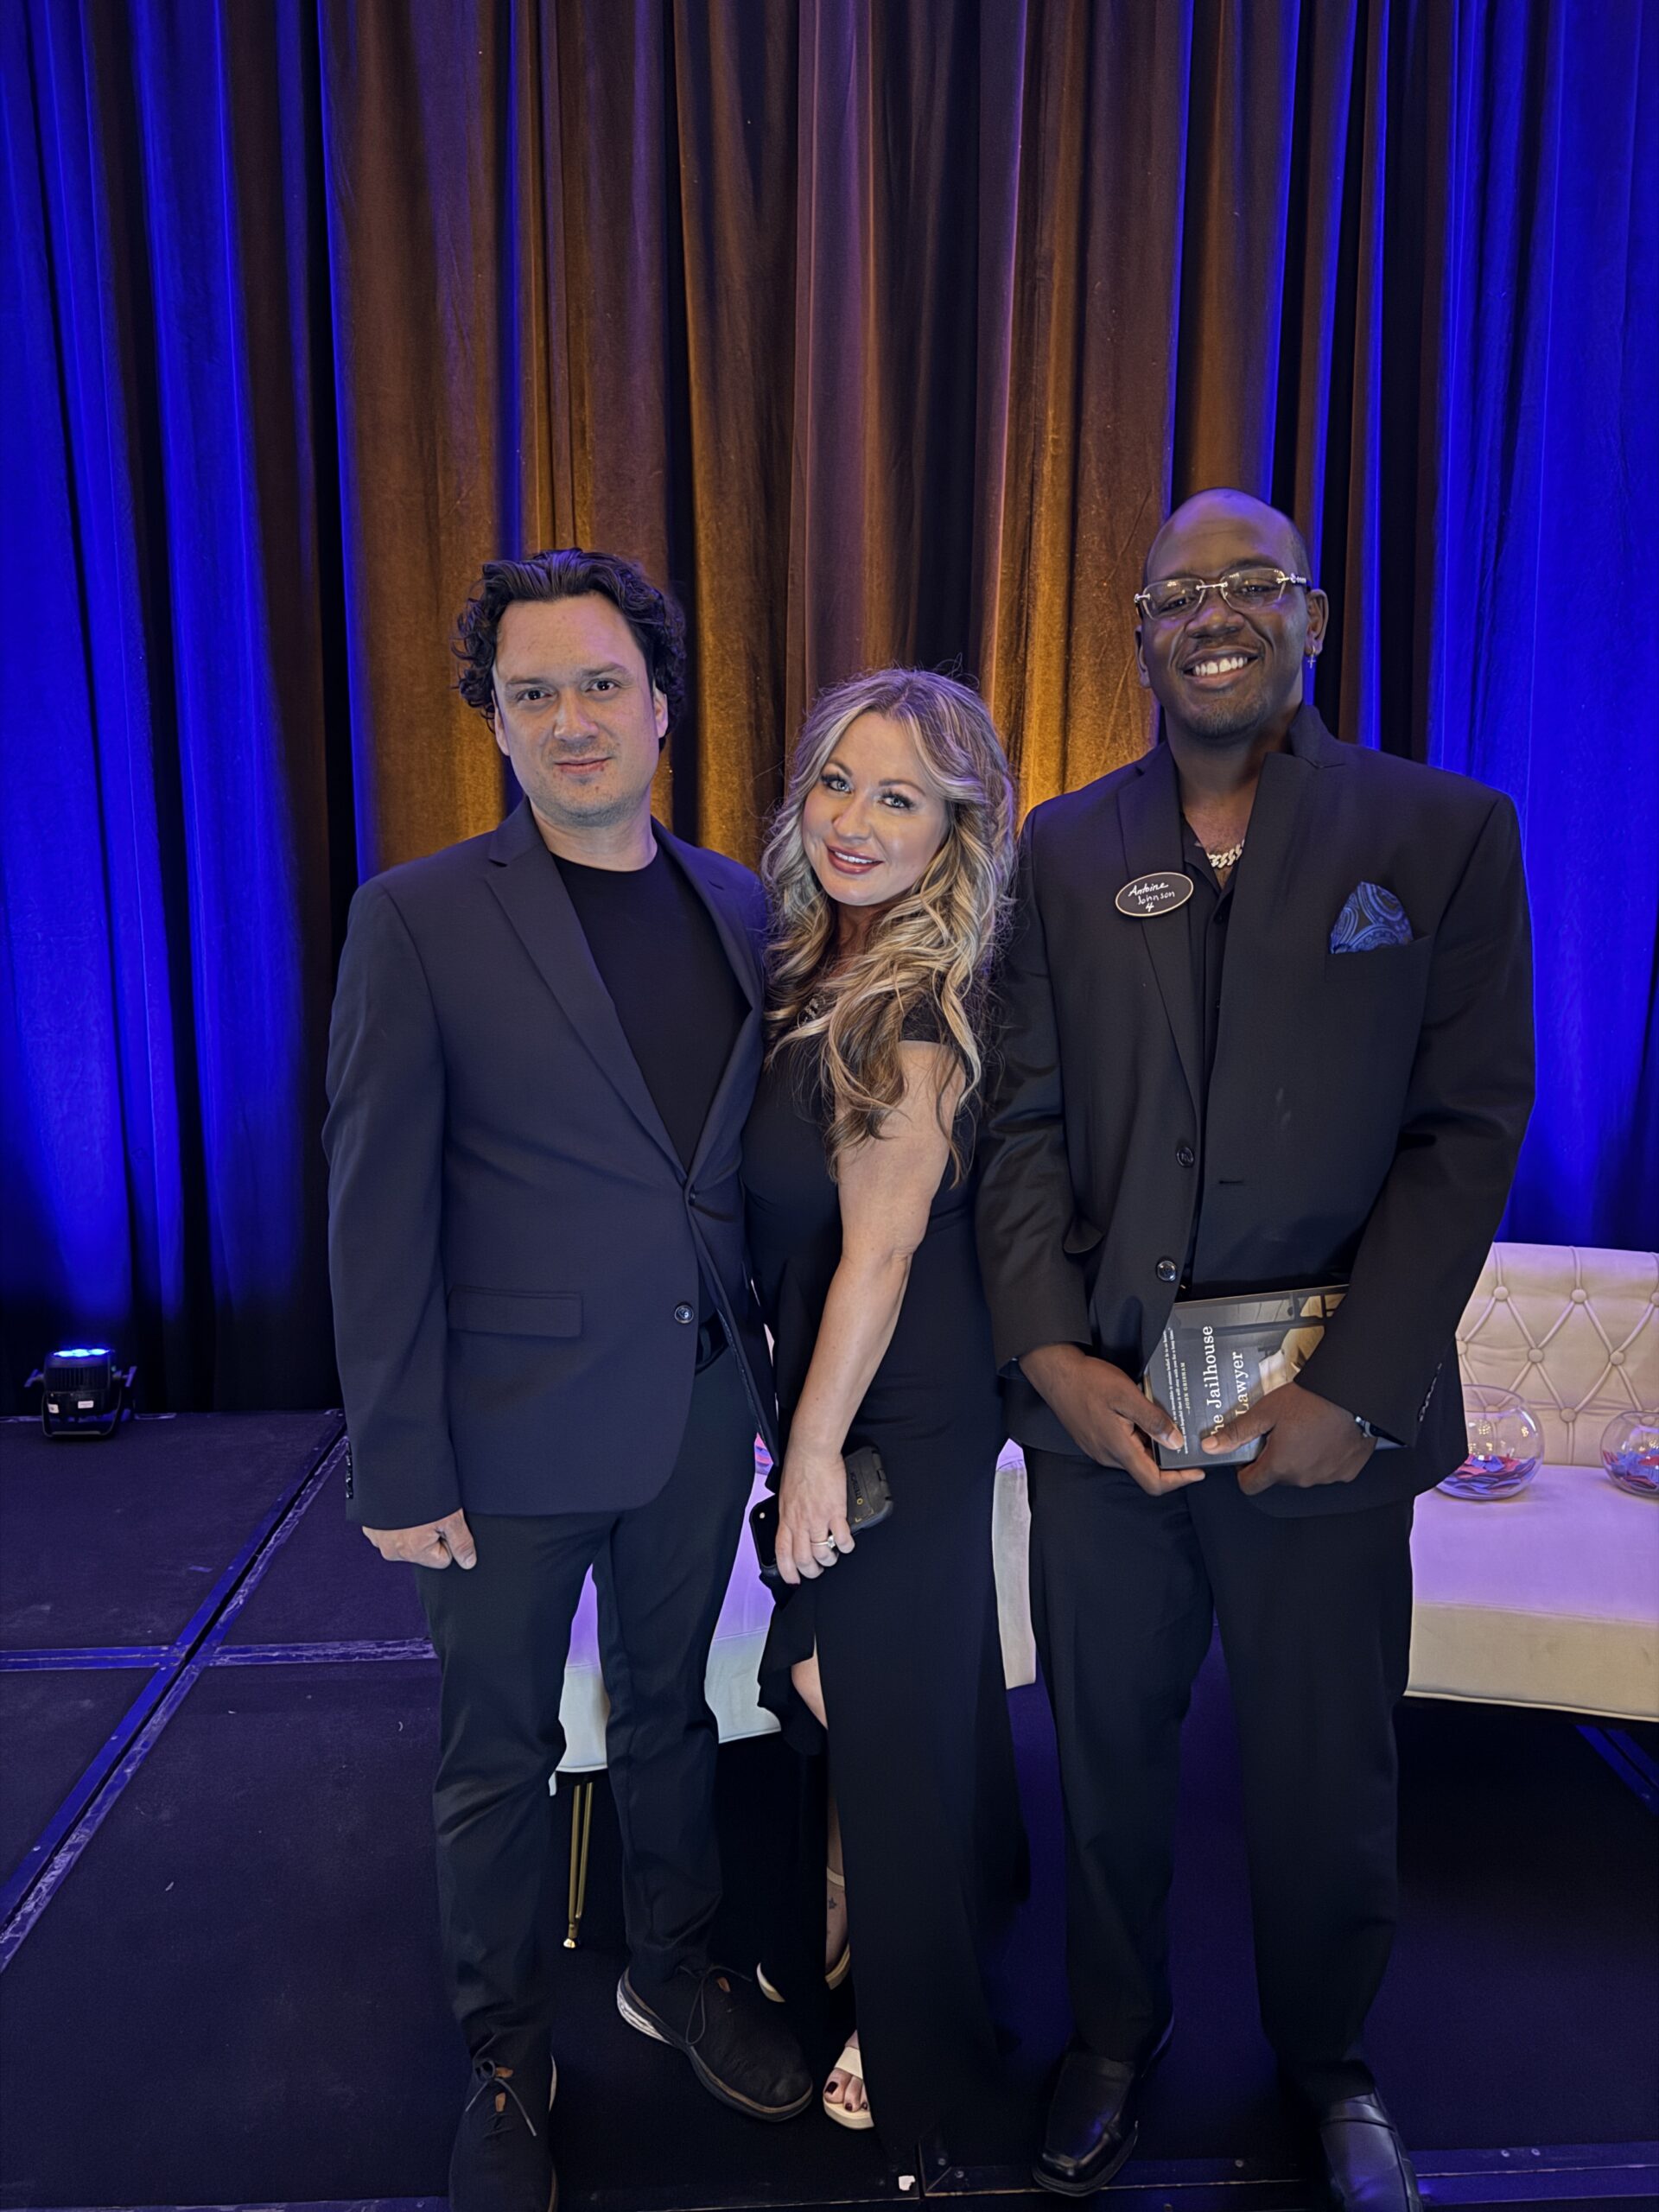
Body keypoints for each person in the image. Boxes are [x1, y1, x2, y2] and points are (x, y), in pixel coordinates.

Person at [976, 490, 1533, 2209]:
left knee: (1324, 1770)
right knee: (1106, 1756)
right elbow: (1019, 1125)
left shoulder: (1445, 832)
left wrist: (1355, 1391)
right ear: (1140, 633)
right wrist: (1048, 1356)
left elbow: (1465, 1131)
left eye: (1252, 584)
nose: (1214, 615)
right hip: (1112, 1415)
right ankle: (1113, 2032)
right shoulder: (1061, 848)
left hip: (1327, 1422)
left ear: (1312, 617)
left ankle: (1328, 2059)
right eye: (1178, 595)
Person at [323, 549, 810, 2212]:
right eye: (532, 693)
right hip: (501, 1437)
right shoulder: (417, 918)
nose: (572, 718)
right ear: (497, 724)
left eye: (602, 684)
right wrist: (397, 1466)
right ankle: (504, 2056)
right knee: (498, 1754)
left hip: (698, 1414)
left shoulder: (746, 907)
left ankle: (672, 1970)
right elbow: (374, 1211)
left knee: (675, 1714)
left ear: (663, 707)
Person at [742, 668, 1027, 2152]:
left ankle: (921, 2042)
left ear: (954, 831)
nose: (853, 819)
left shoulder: (910, 1003)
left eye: (899, 797)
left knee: (864, 1695)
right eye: (838, 783)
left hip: (900, 1404)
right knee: (875, 1683)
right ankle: (895, 1898)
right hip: (846, 1385)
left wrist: (809, 1454)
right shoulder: (818, 958)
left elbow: (885, 1249)